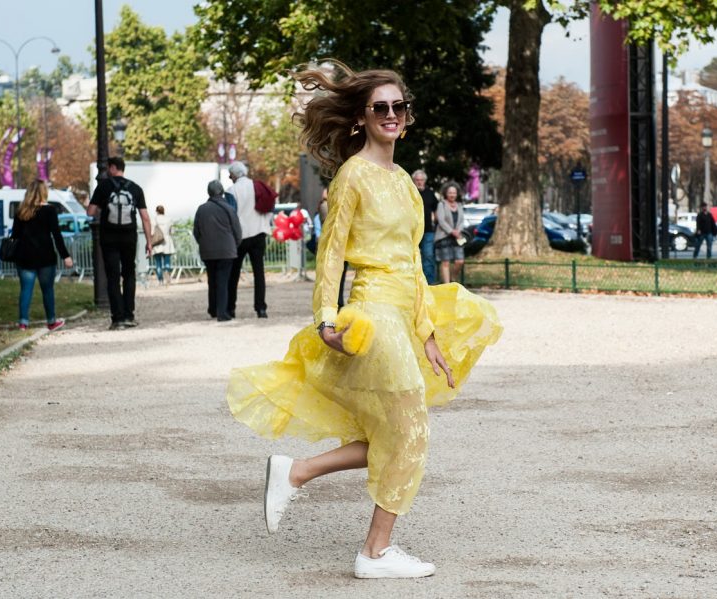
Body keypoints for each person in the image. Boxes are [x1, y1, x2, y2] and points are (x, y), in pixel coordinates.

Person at [226, 61, 502, 579]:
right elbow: (331, 253)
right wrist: (325, 317)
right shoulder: (352, 175)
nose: (391, 114)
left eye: (399, 106)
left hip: (403, 314)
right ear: (361, 117)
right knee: (410, 428)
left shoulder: (405, 183)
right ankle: (374, 553)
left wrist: (428, 332)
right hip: (371, 310)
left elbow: (414, 264)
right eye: (380, 107)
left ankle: (297, 472)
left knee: (393, 432)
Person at [87, 156, 152, 329]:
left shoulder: (104, 186)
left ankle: (117, 318)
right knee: (129, 274)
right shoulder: (136, 188)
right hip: (129, 237)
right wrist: (149, 241)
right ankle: (129, 315)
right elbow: (145, 217)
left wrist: (102, 207)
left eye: (109, 168)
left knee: (113, 277)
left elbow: (90, 211)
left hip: (109, 237)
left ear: (113, 167)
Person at [11, 180, 74, 331]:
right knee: (47, 290)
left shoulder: (21, 211)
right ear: (43, 192)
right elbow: (56, 235)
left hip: (24, 256)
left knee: (25, 290)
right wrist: (65, 256)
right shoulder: (50, 210)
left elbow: (15, 235)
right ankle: (51, 321)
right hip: (45, 256)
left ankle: (23, 322)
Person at [226, 161, 270, 318]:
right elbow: (268, 207)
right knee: (259, 273)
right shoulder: (257, 186)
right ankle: (261, 308)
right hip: (259, 233)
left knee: (234, 273)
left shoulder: (231, 190)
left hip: (240, 235)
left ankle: (230, 308)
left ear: (234, 175)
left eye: (230, 175)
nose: (229, 177)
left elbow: (231, 214)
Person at [194, 180, 241, 322]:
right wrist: (235, 245)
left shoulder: (201, 209)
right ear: (221, 191)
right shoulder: (229, 208)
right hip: (226, 250)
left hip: (208, 250)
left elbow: (196, 231)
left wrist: (203, 243)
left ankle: (213, 309)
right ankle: (222, 312)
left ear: (208, 192)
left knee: (212, 280)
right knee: (223, 281)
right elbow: (237, 230)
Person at [434, 182, 466, 283]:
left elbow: (462, 220)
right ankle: (447, 285)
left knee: (460, 261)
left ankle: (453, 279)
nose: (452, 195)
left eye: (454, 193)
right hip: (444, 236)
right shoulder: (441, 204)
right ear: (446, 193)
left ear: (457, 194)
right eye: (450, 193)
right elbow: (441, 220)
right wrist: (451, 231)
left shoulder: (459, 205)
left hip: (457, 237)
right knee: (445, 263)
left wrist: (458, 231)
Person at [412, 170, 438, 284]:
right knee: (412, 257)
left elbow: (436, 210)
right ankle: (414, 282)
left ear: (425, 181)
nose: (419, 182)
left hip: (428, 231)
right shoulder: (409, 193)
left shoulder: (430, 193)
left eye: (421, 180)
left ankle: (429, 284)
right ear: (413, 181)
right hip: (412, 231)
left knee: (428, 256)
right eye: (417, 180)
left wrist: (436, 224)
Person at [152, 205, 176, 287]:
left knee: (158, 263)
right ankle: (167, 273)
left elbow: (152, 232)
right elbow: (172, 232)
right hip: (167, 242)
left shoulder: (154, 220)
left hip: (157, 242)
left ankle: (160, 281)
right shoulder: (169, 219)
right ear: (163, 211)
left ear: (156, 211)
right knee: (167, 261)